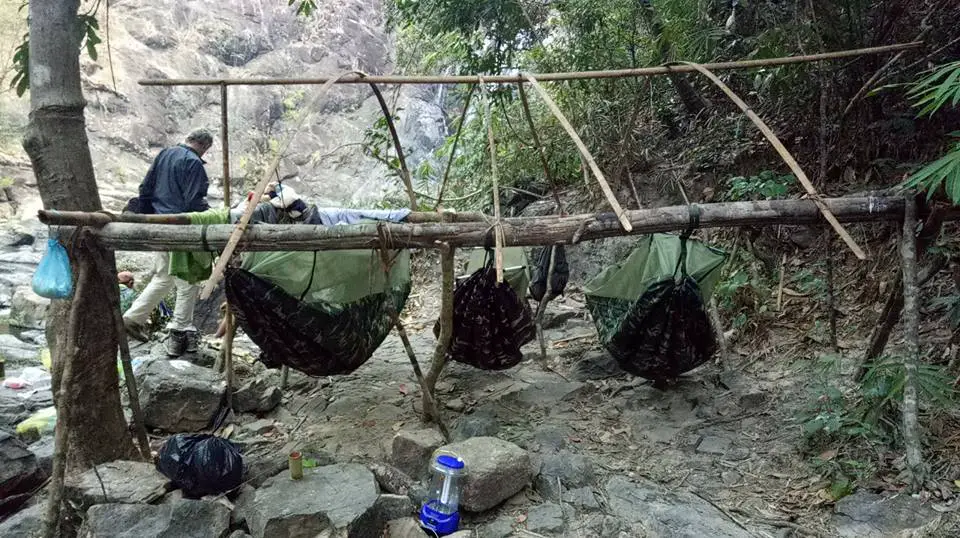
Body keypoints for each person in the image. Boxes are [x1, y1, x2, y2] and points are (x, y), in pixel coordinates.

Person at [122, 129, 214, 356]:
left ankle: (133, 318)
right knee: (187, 280)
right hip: (180, 225)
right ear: (204, 146)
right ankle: (179, 331)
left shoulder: (164, 154)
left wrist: (147, 219)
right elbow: (194, 201)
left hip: (157, 222)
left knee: (163, 276)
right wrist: (212, 216)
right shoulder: (193, 163)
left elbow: (145, 188)